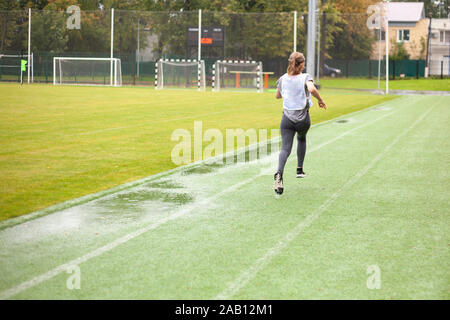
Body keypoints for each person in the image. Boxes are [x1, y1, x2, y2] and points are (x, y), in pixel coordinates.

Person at [274, 52, 326, 195]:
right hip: (302, 119)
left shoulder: (283, 79)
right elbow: (312, 89)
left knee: (285, 148)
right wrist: (320, 100)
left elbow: (277, 96)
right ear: (301, 64)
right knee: (301, 138)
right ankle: (299, 169)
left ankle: (279, 173)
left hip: (286, 119)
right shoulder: (305, 77)